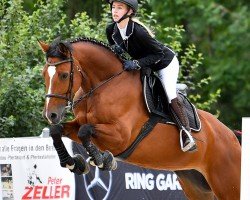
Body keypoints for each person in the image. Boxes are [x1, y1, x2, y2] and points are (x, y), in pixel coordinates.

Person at [105, 0, 196, 152]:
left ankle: (187, 134)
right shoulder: (111, 30)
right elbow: (114, 52)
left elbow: (158, 54)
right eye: (113, 7)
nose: (115, 11)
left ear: (129, 11)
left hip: (166, 63)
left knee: (169, 94)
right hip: (146, 65)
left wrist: (136, 63)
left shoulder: (139, 31)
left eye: (119, 8)